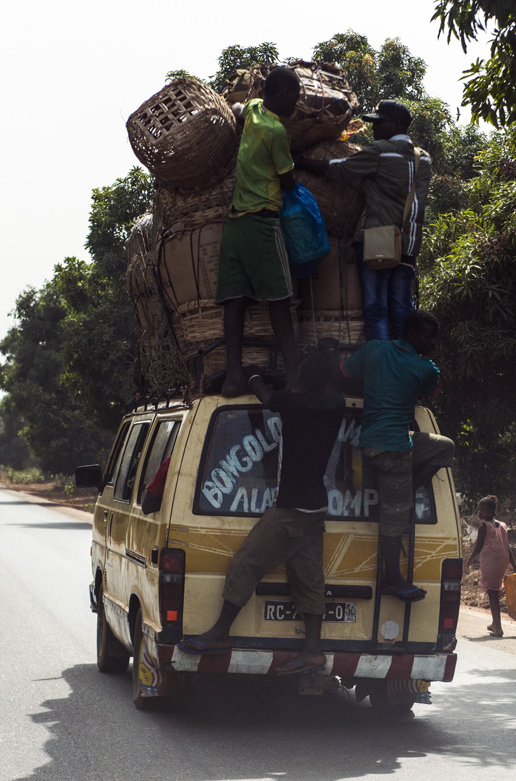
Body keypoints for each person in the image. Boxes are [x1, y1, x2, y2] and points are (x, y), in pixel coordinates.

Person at [178, 347, 345, 673]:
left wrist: (251, 373)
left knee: (245, 563)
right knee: (309, 580)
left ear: (305, 380)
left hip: (291, 510)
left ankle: (220, 634)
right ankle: (312, 649)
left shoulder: (294, 403)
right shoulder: (335, 405)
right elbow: (308, 389)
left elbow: (267, 398)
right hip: (315, 509)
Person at [337, 308, 454, 602]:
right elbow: (430, 392)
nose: (433, 344)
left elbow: (343, 373)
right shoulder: (425, 367)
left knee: (445, 446)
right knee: (394, 519)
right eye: (429, 337)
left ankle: (407, 490)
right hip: (394, 448)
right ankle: (392, 578)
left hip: (372, 442)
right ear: (412, 334)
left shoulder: (374, 349)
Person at [295, 99, 432, 341]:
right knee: (402, 311)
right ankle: (401, 364)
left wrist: (300, 162)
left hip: (378, 242)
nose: (375, 129)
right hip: (409, 247)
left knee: (376, 311)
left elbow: (340, 168)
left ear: (398, 124)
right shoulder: (424, 159)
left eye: (380, 123)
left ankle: (381, 366)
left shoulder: (381, 152)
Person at [216, 65, 303, 397]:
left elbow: (237, 109)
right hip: (263, 223)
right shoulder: (277, 132)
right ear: (282, 94)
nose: (296, 102)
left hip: (235, 224)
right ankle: (294, 375)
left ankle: (233, 375)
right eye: (294, 96)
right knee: (279, 298)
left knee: (234, 301)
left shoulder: (253, 108)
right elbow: (287, 179)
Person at [466, 495, 516, 637]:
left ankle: (498, 628)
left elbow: (478, 547)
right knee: (494, 591)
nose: (479, 513)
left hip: (491, 562)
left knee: (492, 593)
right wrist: (514, 566)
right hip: (502, 561)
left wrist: (469, 561)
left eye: (481, 510)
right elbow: (508, 547)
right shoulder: (503, 526)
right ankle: (495, 624)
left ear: (489, 511)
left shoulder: (484, 527)